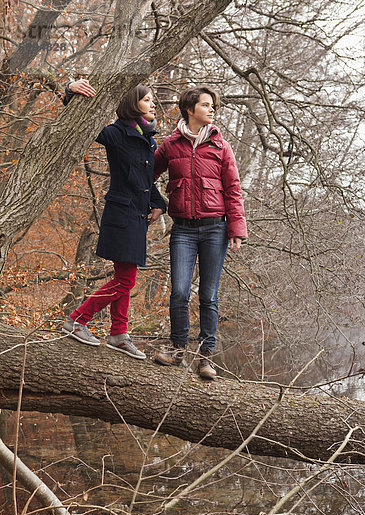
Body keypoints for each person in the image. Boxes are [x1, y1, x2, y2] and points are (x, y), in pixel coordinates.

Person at [61, 80, 166, 359]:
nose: (153, 104)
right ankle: (77, 320)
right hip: (121, 214)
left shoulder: (147, 138)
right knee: (126, 281)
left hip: (137, 215)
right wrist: (70, 90)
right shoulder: (117, 133)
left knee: (124, 278)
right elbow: (82, 124)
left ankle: (119, 334)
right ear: (133, 105)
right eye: (147, 100)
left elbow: (145, 180)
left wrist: (158, 203)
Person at [153, 86, 247, 379]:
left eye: (213, 106)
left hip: (215, 229)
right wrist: (156, 204)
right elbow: (147, 174)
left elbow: (233, 189)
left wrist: (236, 228)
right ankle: (177, 349)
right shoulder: (170, 145)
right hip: (182, 230)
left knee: (208, 295)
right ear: (190, 110)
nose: (211, 110)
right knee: (179, 291)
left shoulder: (222, 147)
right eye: (206, 105)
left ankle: (206, 358)